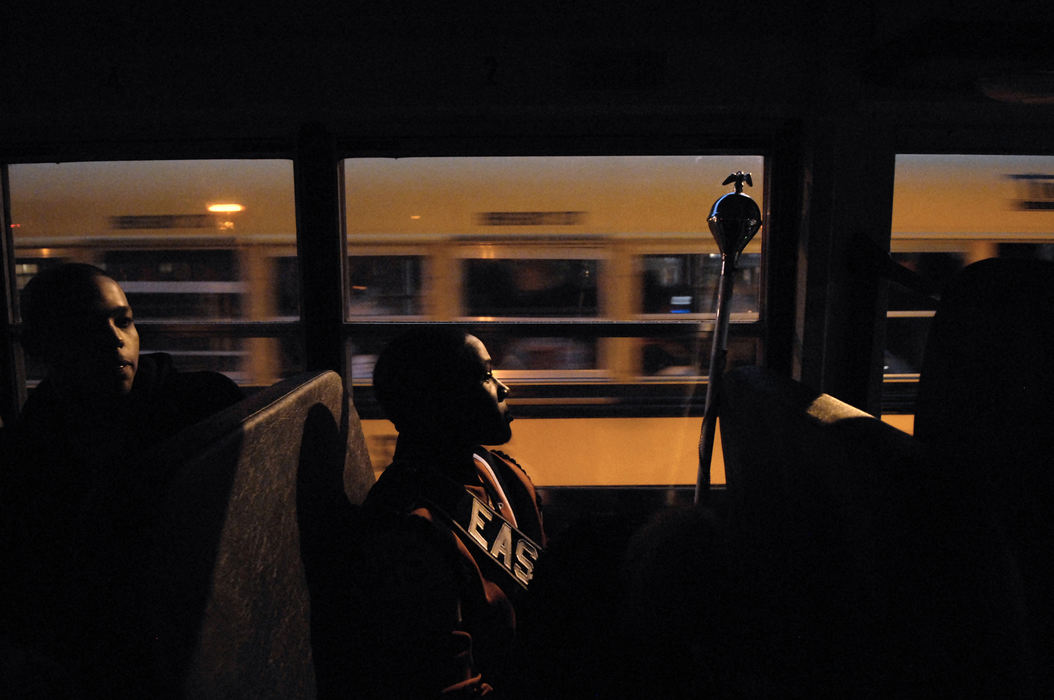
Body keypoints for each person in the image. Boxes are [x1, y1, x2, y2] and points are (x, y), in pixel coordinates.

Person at [0, 263, 244, 697]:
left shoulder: (205, 407)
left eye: (124, 321)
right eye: (85, 327)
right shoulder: (31, 446)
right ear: (40, 346)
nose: (116, 339)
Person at [352, 327, 546, 698]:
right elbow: (452, 683)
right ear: (441, 399)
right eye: (487, 375)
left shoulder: (503, 476)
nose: (504, 389)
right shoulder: (407, 534)